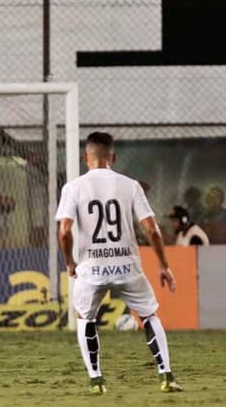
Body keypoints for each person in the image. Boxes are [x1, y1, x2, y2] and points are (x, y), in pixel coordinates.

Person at [55, 132, 183, 395]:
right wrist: (164, 266)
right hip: (127, 265)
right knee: (148, 314)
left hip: (91, 267)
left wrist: (70, 262)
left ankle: (96, 380)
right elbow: (152, 230)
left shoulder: (73, 187)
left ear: (85, 157)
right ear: (113, 156)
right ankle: (166, 375)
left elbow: (64, 231)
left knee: (85, 319)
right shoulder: (130, 185)